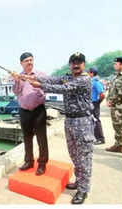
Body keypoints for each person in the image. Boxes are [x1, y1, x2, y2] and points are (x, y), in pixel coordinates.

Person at [25, 52, 94, 204]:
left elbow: (63, 89)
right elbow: (52, 79)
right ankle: (79, 181)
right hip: (69, 120)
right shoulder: (67, 76)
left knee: (84, 157)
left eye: (79, 62)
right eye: (73, 62)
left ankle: (83, 190)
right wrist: (32, 77)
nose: (76, 65)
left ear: (84, 64)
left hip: (83, 121)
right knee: (75, 155)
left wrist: (40, 85)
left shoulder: (84, 79)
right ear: (70, 64)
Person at [10, 52, 49, 176]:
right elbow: (16, 92)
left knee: (41, 138)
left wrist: (37, 86)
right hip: (24, 110)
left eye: (31, 60)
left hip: (38, 110)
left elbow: (47, 87)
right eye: (26, 61)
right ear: (21, 63)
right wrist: (16, 81)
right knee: (27, 138)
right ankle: (29, 161)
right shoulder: (18, 76)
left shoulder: (40, 74)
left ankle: (42, 164)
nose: (29, 62)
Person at [105, 56, 122, 162]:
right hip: (116, 107)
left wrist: (112, 101)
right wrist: (108, 99)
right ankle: (119, 145)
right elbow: (112, 90)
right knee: (117, 127)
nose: (114, 65)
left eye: (116, 63)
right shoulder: (117, 76)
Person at [88, 67, 106, 145]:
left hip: (94, 103)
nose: (87, 74)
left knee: (96, 120)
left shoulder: (96, 82)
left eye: (88, 72)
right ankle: (95, 137)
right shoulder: (91, 81)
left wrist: (98, 102)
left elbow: (102, 94)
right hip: (91, 103)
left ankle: (101, 138)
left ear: (92, 73)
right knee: (92, 121)